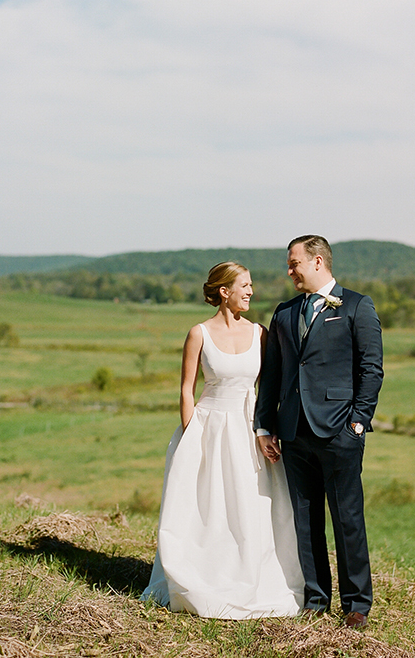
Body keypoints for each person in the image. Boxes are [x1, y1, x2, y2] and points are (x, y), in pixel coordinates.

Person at [141, 262, 305, 618]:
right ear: (223, 291)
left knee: (251, 506)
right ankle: (204, 575)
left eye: (250, 285)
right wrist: (190, 437)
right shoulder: (198, 333)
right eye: (244, 286)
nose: (250, 291)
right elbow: (187, 389)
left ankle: (253, 578)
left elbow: (267, 389)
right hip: (208, 428)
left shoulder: (260, 333)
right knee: (208, 506)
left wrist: (267, 430)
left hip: (249, 430)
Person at [255, 235, 384, 630]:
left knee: (347, 519)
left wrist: (358, 423)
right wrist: (266, 424)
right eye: (288, 265)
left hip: (340, 432)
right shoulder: (284, 312)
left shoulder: (358, 306)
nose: (289, 271)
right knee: (305, 519)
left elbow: (371, 369)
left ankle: (357, 604)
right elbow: (272, 375)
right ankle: (315, 598)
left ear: (317, 262)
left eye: (294, 263)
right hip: (294, 432)